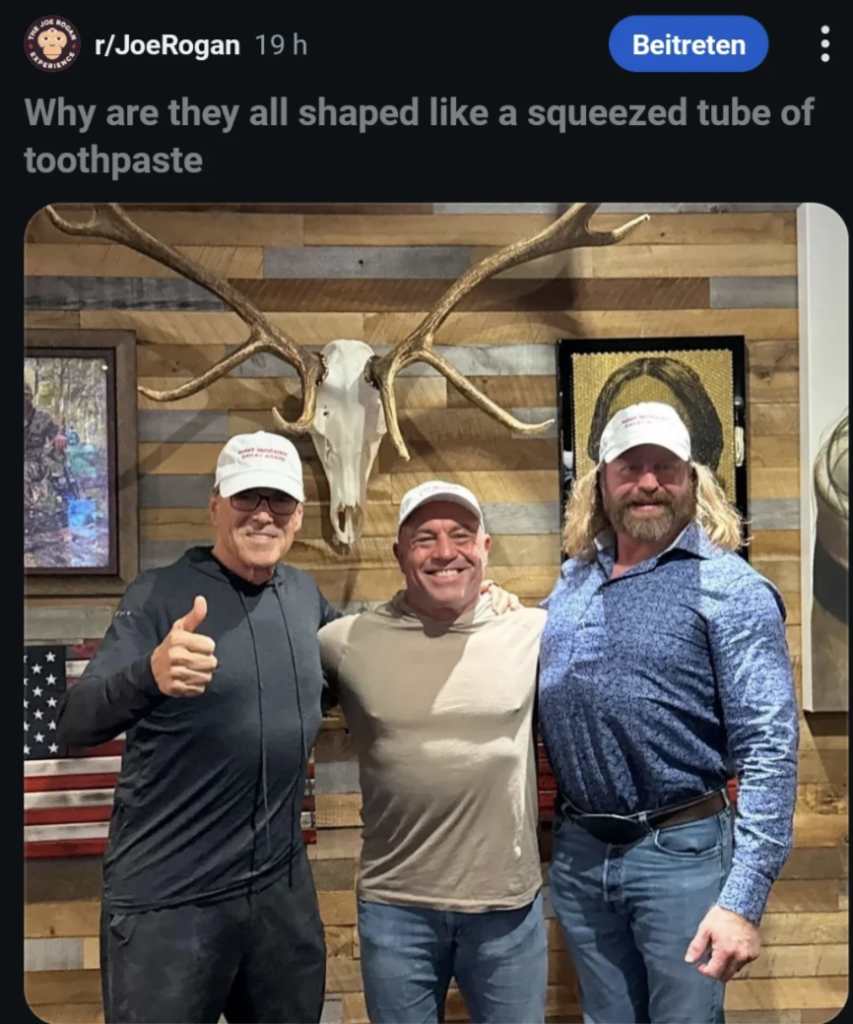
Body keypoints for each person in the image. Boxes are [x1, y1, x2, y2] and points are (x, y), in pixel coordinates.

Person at [55, 433, 515, 1024]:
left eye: (279, 501)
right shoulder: (157, 594)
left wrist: (477, 605)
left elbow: (379, 646)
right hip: (168, 903)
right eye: (248, 498)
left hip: (279, 899)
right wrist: (149, 674)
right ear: (215, 504)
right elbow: (75, 722)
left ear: (298, 516)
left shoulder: (302, 596)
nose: (264, 514)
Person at [538, 402, 799, 1024]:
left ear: (692, 479)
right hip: (581, 853)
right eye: (630, 468)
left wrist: (742, 901)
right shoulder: (572, 581)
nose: (648, 482)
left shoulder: (731, 589)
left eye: (664, 467)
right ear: (602, 481)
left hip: (680, 855)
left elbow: (769, 749)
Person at [319, 481, 548, 1024]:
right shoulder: (344, 642)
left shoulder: (532, 630)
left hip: (507, 911)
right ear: (399, 554)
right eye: (425, 538)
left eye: (461, 536)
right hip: (396, 909)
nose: (445, 552)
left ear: (485, 548)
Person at [24, 380, 68, 529]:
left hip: (35, 462)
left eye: (25, 396)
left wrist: (60, 436)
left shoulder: (42, 418)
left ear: (31, 397)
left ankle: (25, 517)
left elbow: (57, 433)